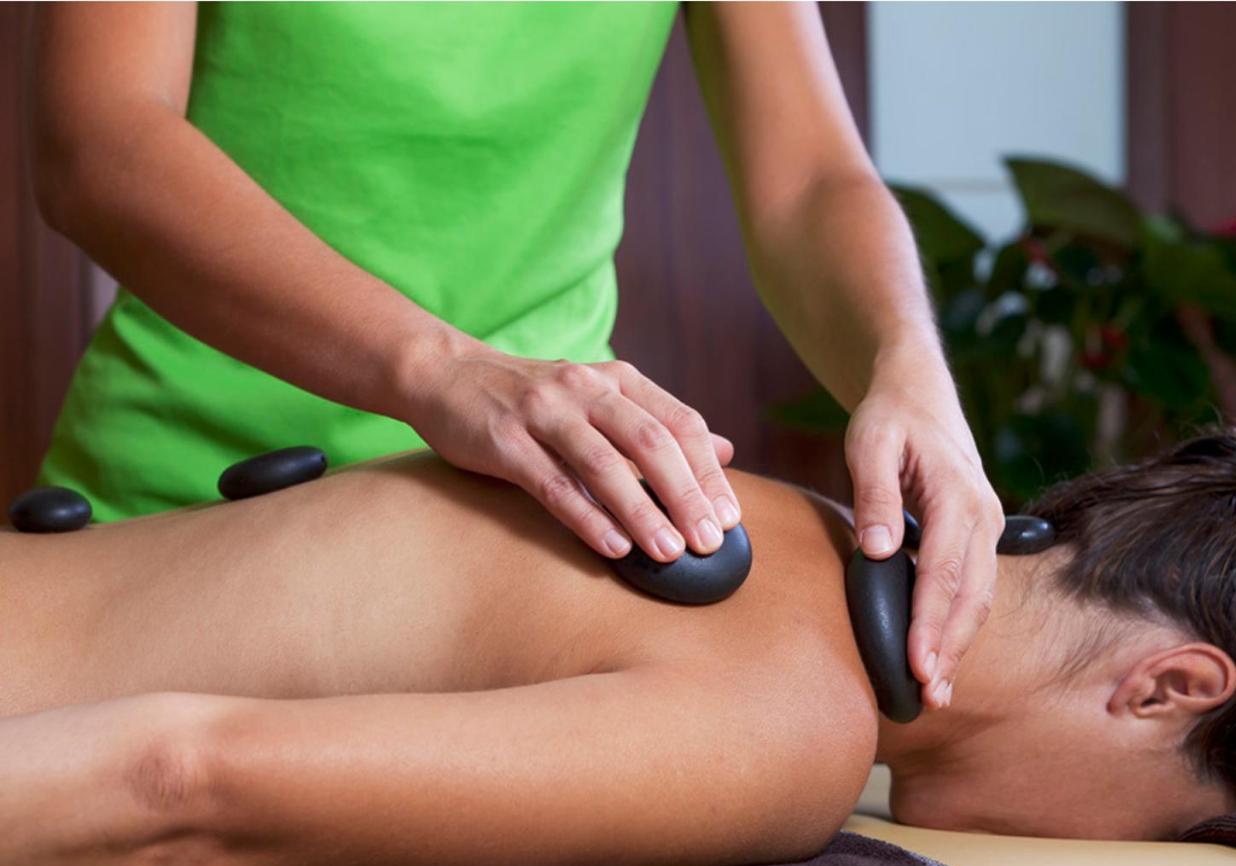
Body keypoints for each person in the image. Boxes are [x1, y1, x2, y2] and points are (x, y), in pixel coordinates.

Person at [28, 3, 1004, 712]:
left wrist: (903, 364)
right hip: (176, 521)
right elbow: (98, 140)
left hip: (536, 543)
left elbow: (807, 181)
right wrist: (438, 371)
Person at [2, 427, 1236, 866]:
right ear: (1163, 688)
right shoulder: (787, 728)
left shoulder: (753, 504)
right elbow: (178, 793)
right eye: (1164, 827)